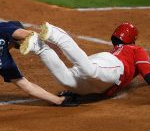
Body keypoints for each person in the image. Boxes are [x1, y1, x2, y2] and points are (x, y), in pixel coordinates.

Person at [19, 22, 150, 99]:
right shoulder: (136, 49)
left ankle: (38, 46)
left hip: (101, 86)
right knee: (90, 71)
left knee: (67, 80)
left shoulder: (118, 49)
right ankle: (55, 33)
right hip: (114, 65)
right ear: (132, 39)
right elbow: (147, 72)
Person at [0, 21, 79, 106]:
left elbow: (26, 85)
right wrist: (51, 45)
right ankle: (58, 101)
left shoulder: (5, 60)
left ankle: (58, 100)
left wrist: (60, 100)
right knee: (23, 83)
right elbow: (29, 35)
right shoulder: (6, 29)